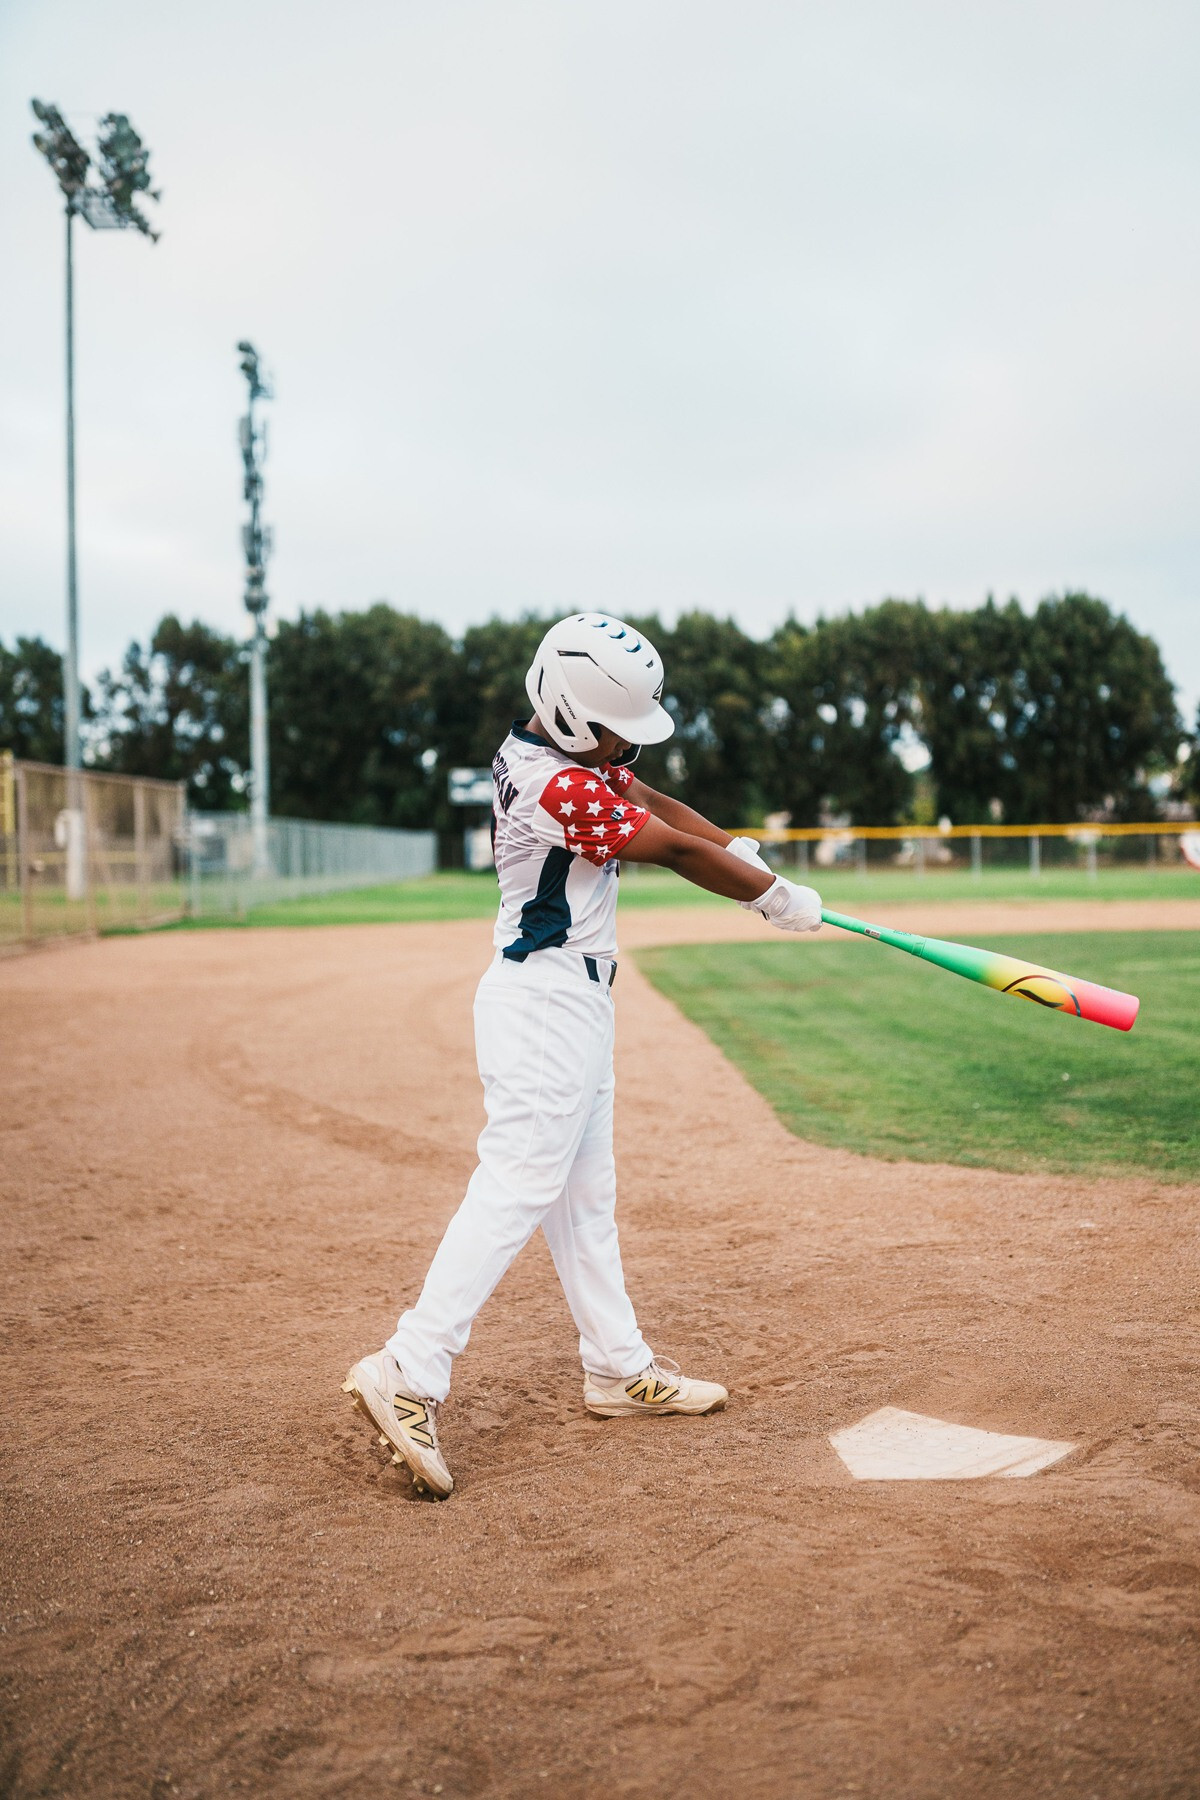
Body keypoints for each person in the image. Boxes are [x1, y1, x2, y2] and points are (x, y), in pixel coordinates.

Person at [344, 612, 822, 1497]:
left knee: (583, 1198)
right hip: (544, 1001)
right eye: (611, 728)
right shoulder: (549, 788)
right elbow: (669, 850)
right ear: (566, 711)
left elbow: (658, 809)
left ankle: (615, 1366)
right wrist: (769, 894)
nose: (621, 747)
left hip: (578, 1000)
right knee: (520, 1182)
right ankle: (407, 1369)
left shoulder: (581, 761)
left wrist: (736, 848)